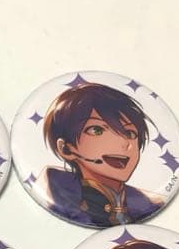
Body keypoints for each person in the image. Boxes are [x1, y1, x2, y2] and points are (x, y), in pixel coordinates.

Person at [37, 82, 163, 225]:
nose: (123, 143)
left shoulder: (149, 204)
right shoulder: (55, 196)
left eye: (129, 133)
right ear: (66, 149)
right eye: (97, 130)